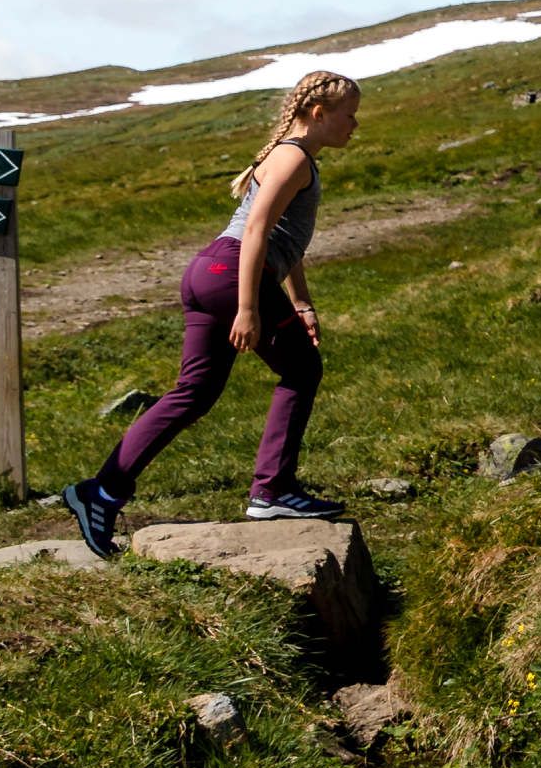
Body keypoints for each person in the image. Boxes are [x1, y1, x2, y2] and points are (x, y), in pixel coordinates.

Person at [62, 71, 359, 555]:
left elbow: (284, 241)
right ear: (320, 115)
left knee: (193, 393)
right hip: (233, 276)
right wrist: (247, 308)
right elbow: (259, 230)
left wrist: (300, 300)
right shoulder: (294, 156)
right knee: (303, 370)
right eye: (350, 115)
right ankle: (272, 491)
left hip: (209, 271)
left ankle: (101, 492)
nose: (355, 125)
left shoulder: (289, 155)